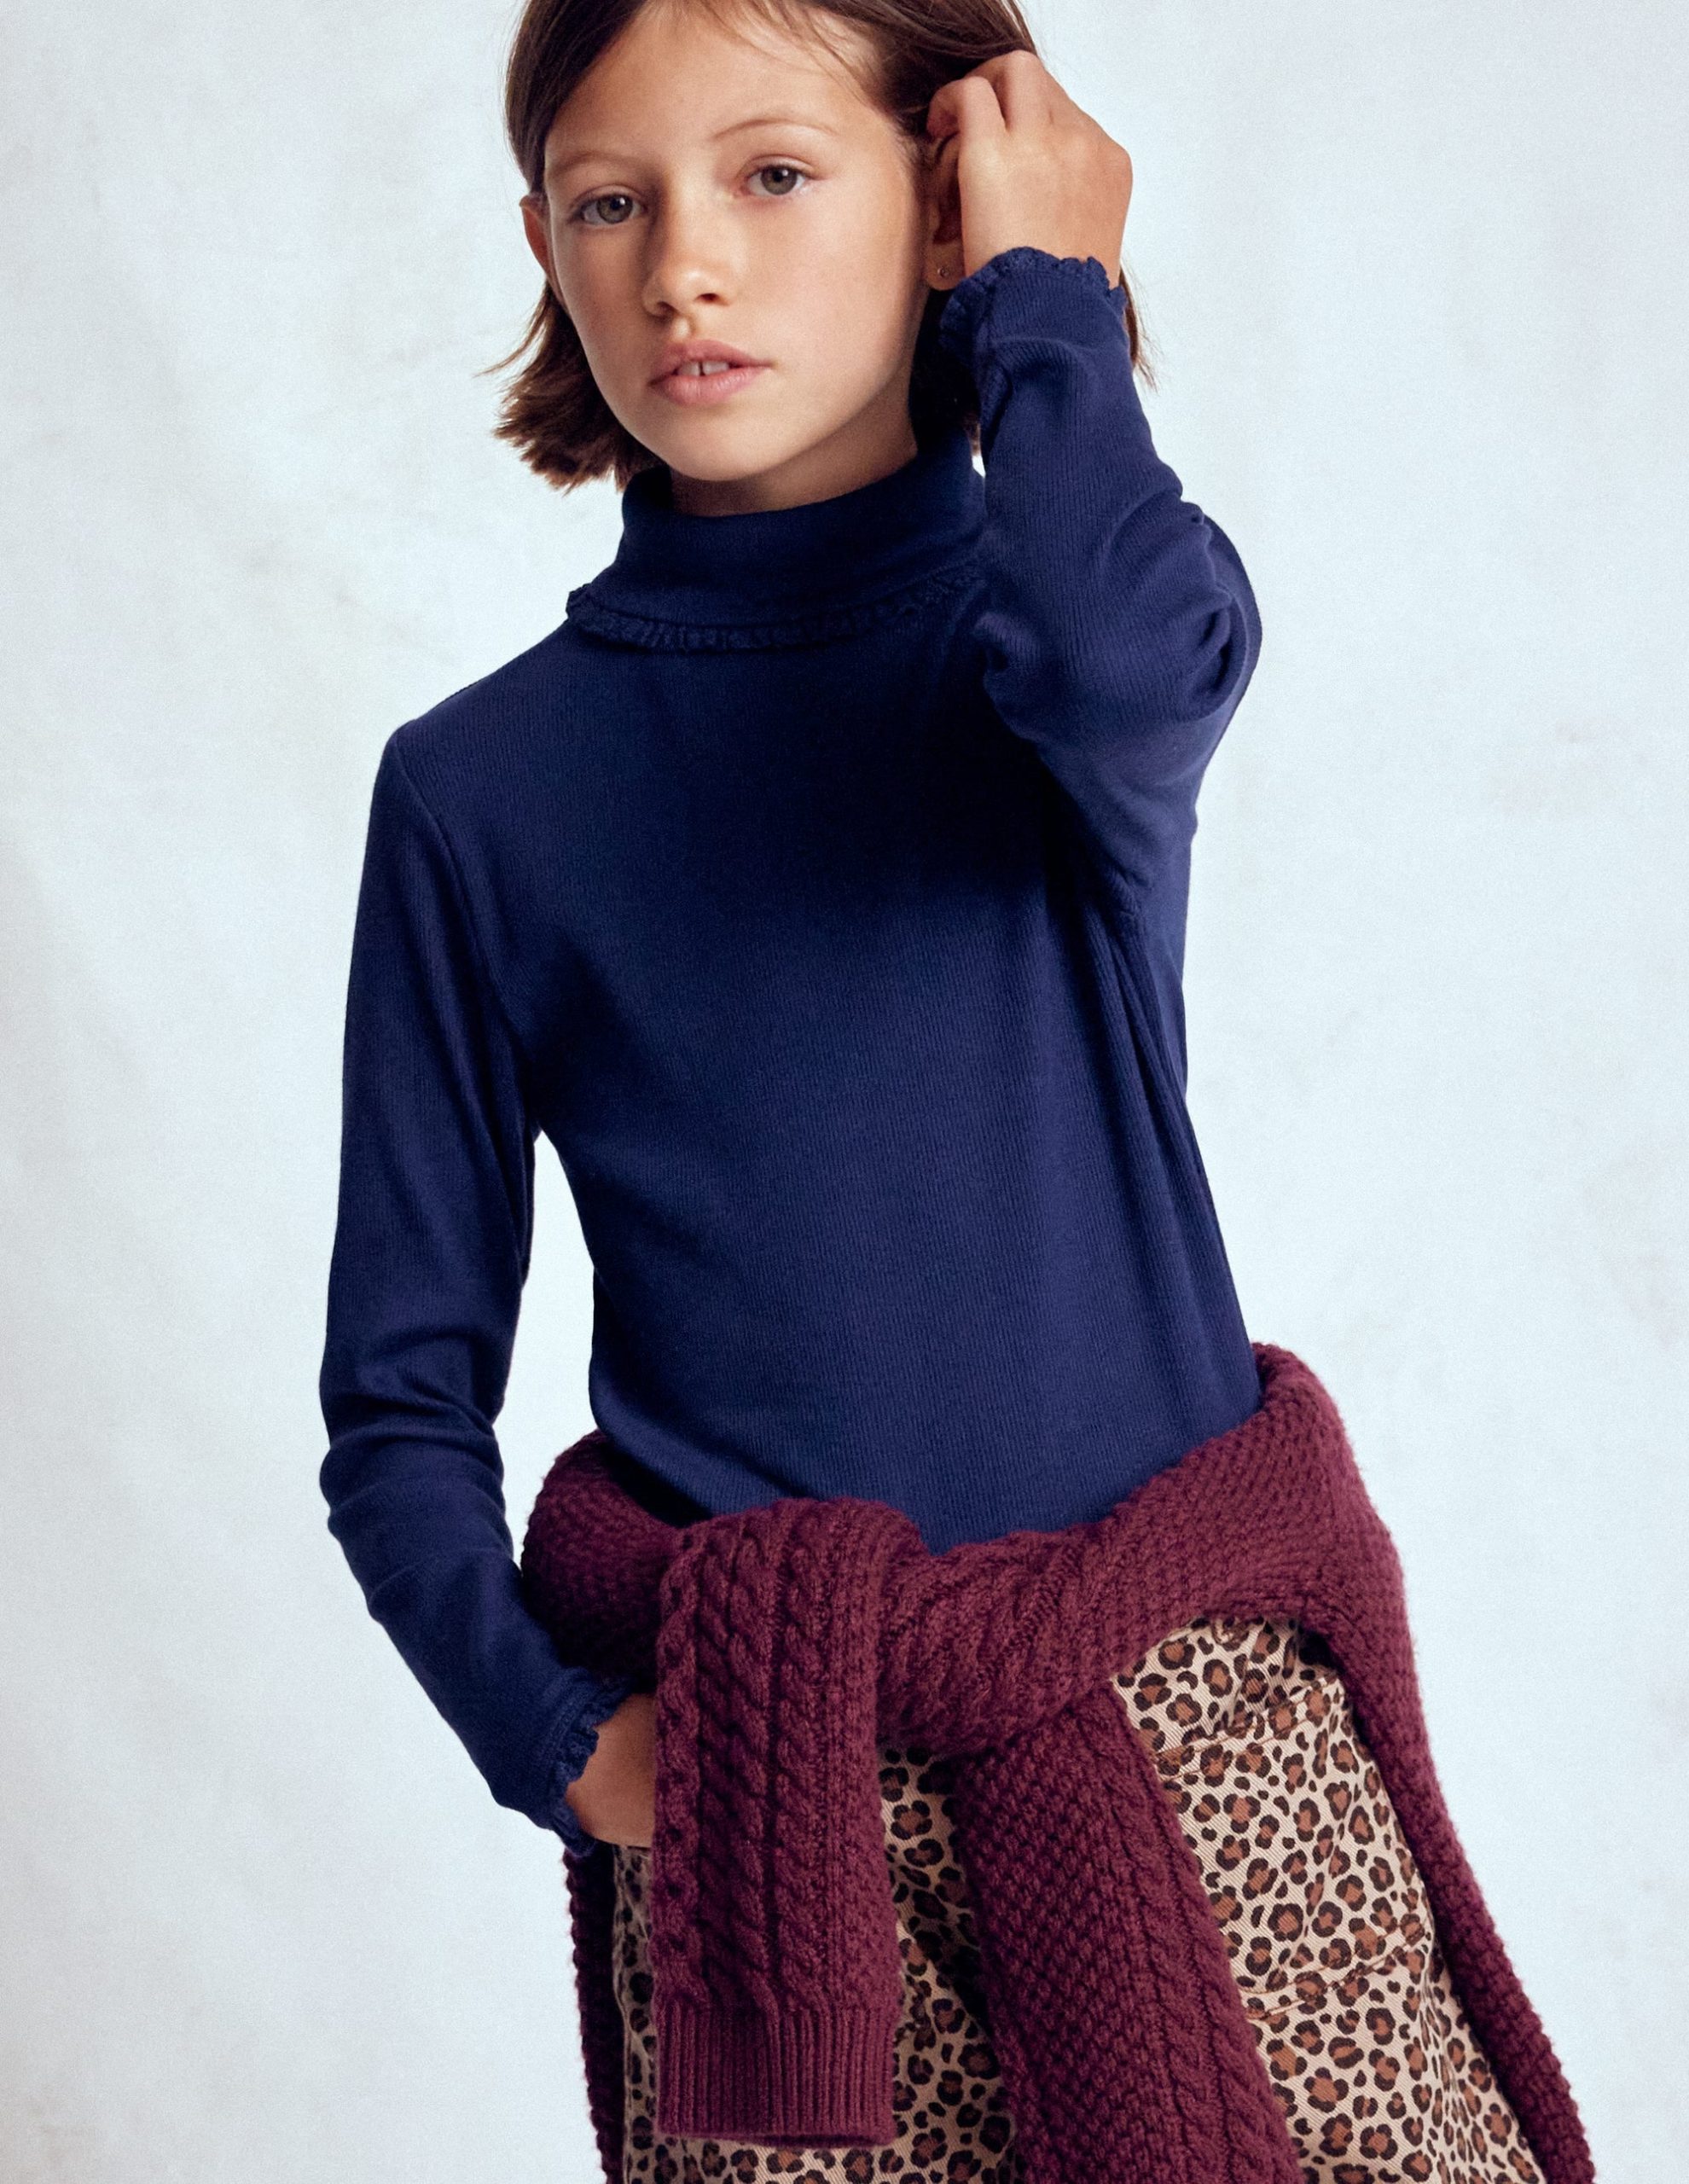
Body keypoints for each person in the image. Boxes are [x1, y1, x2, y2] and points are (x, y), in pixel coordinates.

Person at [317, 2, 1579, 2177]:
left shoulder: (1052, 661)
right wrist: (565, 1741)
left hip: (1204, 1735)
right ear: (543, 246)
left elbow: (1119, 646)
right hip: (784, 1812)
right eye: (610, 203)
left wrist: (1053, 293)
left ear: (945, 205)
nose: (682, 264)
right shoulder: (476, 791)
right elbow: (397, 1403)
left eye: (773, 174)